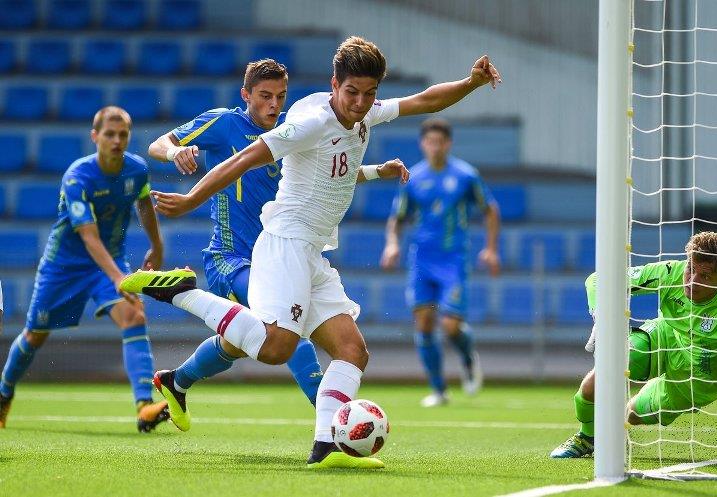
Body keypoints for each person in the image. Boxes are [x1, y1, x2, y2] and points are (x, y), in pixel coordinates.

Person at [121, 36, 501, 468]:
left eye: (369, 93)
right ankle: (181, 293)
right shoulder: (310, 122)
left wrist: (470, 83)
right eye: (352, 92)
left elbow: (425, 100)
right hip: (284, 243)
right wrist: (191, 198)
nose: (360, 103)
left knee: (352, 351)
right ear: (334, 84)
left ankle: (326, 448)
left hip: (312, 251)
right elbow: (244, 158)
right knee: (277, 347)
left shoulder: (363, 112)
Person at [146, 59, 324, 410]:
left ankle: (176, 381)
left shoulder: (289, 131)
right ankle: (332, 420)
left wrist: (375, 171)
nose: (274, 104)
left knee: (239, 343)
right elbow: (158, 144)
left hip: (277, 258)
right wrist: (175, 151)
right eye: (265, 96)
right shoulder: (225, 123)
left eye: (281, 96)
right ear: (246, 95)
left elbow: (329, 171)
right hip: (230, 258)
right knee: (289, 331)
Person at [0, 106, 169, 432]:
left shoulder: (137, 170)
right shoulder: (78, 176)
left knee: (134, 316)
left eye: (123, 135)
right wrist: (119, 278)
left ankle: (144, 407)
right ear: (95, 136)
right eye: (110, 134)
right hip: (64, 267)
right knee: (35, 335)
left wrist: (157, 246)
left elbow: (144, 203)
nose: (117, 141)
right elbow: (89, 236)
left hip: (110, 261)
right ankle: (4, 392)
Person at [550, 231, 717, 458]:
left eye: (704, 276)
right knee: (599, 377)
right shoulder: (670, 273)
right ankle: (587, 437)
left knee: (632, 414)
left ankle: (615, 430)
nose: (692, 281)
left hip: (699, 376)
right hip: (666, 336)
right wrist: (601, 316)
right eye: (690, 269)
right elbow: (598, 279)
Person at [380, 118, 500, 407]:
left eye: (440, 142)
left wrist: (491, 249)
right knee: (423, 323)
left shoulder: (466, 175)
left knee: (450, 325)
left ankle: (468, 356)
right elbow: (397, 218)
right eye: (430, 142)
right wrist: (392, 244)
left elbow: (490, 209)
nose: (435, 147)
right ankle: (439, 390)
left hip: (453, 259)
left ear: (449, 144)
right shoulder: (413, 178)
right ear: (422, 144)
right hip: (422, 260)